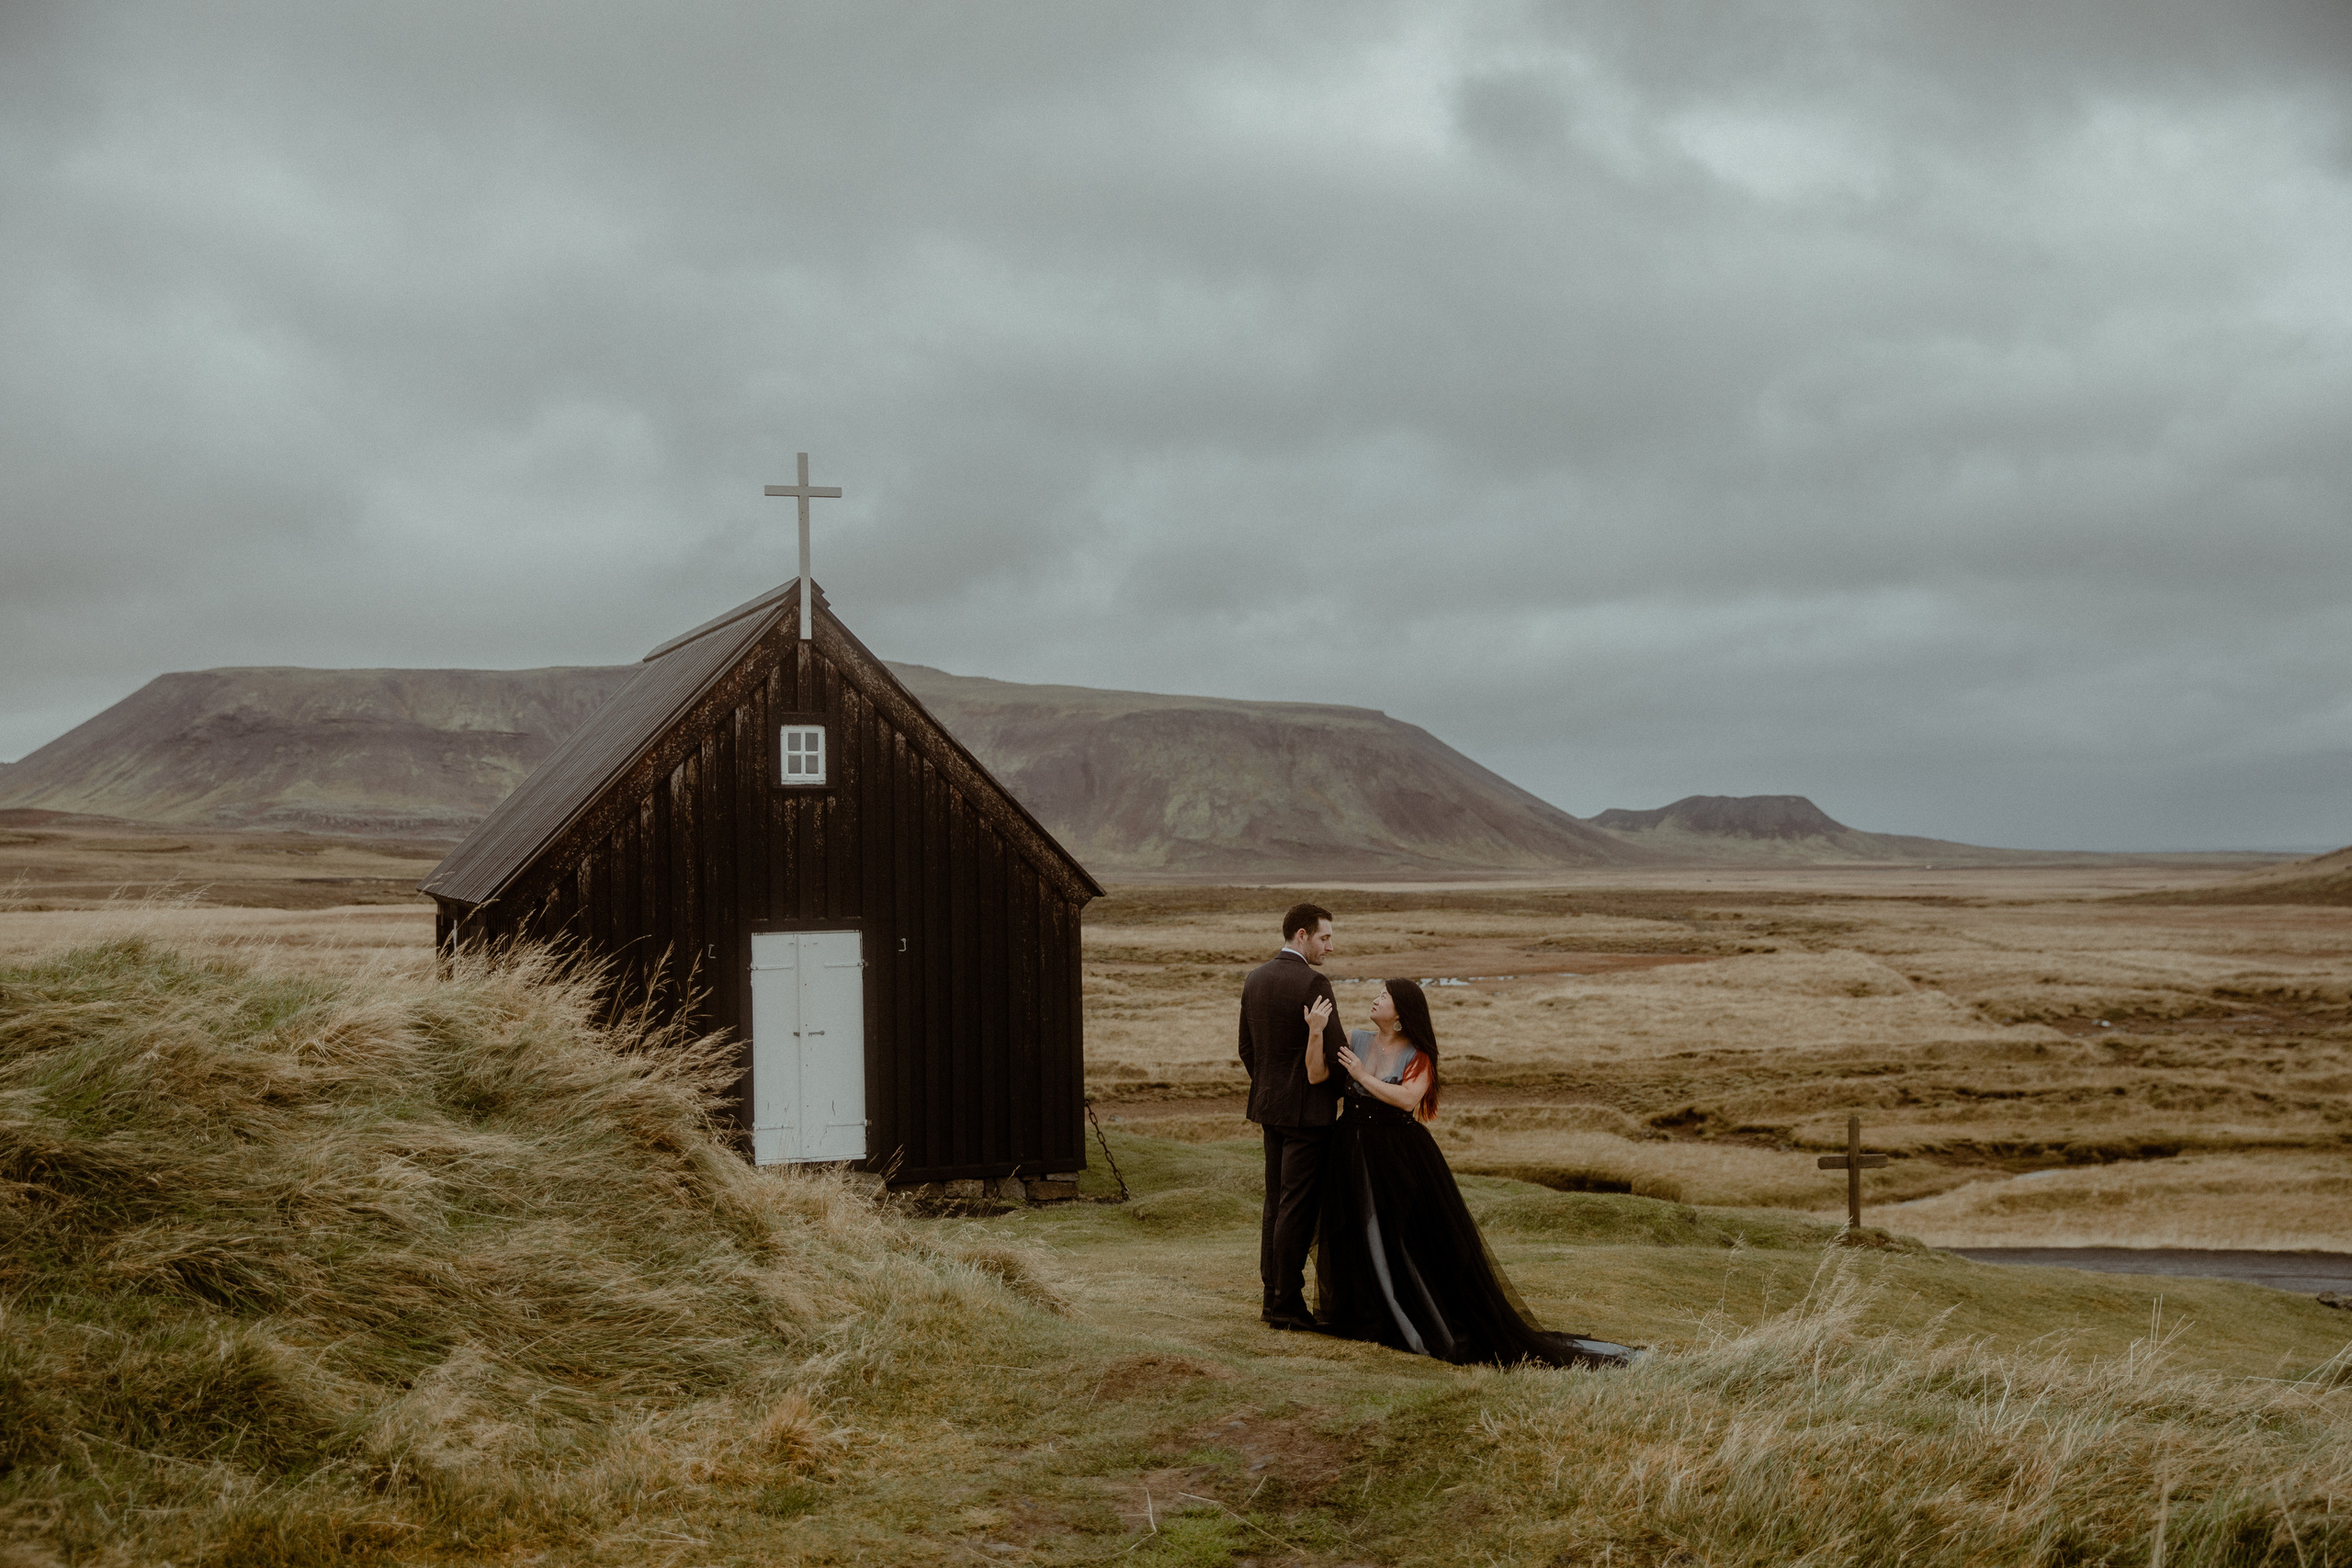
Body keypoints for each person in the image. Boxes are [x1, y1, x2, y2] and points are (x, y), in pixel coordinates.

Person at [1314, 978, 1637, 1367]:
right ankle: (1365, 1312)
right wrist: (1316, 1032)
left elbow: (1408, 1100)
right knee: (1357, 1230)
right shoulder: (1356, 1038)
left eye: (1384, 996)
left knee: (1403, 1236)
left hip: (1398, 1156)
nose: (1375, 999)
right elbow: (1317, 1077)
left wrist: (1363, 1076)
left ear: (1401, 1013)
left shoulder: (1419, 1055)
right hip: (1351, 1149)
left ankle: (1408, 1316)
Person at [1238, 902, 1348, 1331]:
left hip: (1271, 1110)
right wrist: (1340, 1094)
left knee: (1275, 1207)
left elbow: (1247, 1048)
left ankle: (1272, 1300)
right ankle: (1285, 1305)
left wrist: (1272, 1087)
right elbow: (1336, 1054)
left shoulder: (1256, 977)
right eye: (1325, 937)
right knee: (1295, 1210)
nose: (1330, 947)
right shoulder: (1313, 982)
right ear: (1302, 935)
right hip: (1308, 1116)